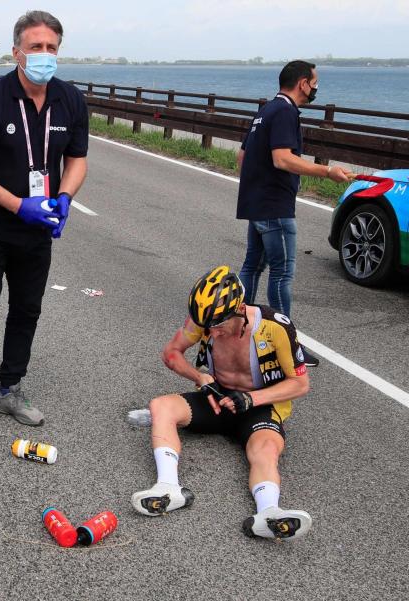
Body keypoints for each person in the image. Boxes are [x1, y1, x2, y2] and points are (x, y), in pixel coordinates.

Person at [0, 10, 88, 439]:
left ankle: (9, 388)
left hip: (37, 231)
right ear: (17, 52)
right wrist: (17, 205)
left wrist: (64, 198)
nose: (44, 55)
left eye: (51, 48)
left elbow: (77, 160)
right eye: (35, 47)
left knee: (27, 309)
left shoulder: (70, 100)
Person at [131, 266, 313, 540]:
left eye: (219, 325)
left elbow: (300, 384)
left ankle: (269, 512)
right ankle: (168, 487)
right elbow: (171, 354)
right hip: (217, 399)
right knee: (161, 406)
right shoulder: (205, 320)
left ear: (240, 308)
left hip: (259, 405)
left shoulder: (276, 326)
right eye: (208, 327)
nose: (212, 333)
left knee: (265, 449)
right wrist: (200, 377)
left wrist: (252, 398)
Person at [236, 60, 354, 367]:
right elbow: (283, 159)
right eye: (314, 82)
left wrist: (257, 186)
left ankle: (238, 327)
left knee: (252, 265)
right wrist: (327, 171)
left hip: (257, 203)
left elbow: (243, 156)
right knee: (281, 272)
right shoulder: (286, 112)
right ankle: (285, 342)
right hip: (275, 207)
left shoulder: (265, 110)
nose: (315, 88)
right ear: (302, 83)